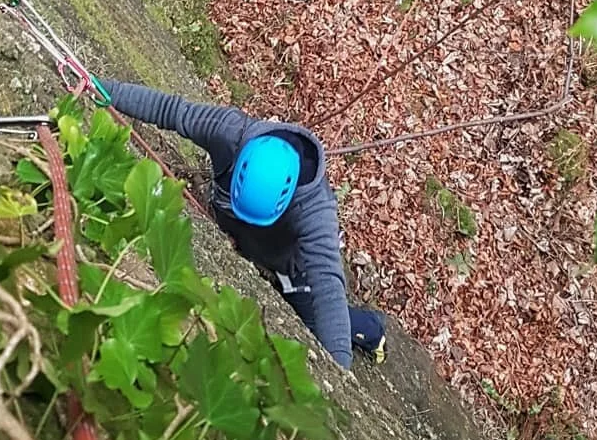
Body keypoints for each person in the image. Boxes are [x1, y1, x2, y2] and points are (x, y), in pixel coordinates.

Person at [102, 79, 386, 370]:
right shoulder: (229, 132)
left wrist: (339, 372)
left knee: (312, 319)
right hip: (238, 231)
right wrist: (104, 90)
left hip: (288, 268)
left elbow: (328, 287)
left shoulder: (315, 210)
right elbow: (170, 110)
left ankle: (373, 330)